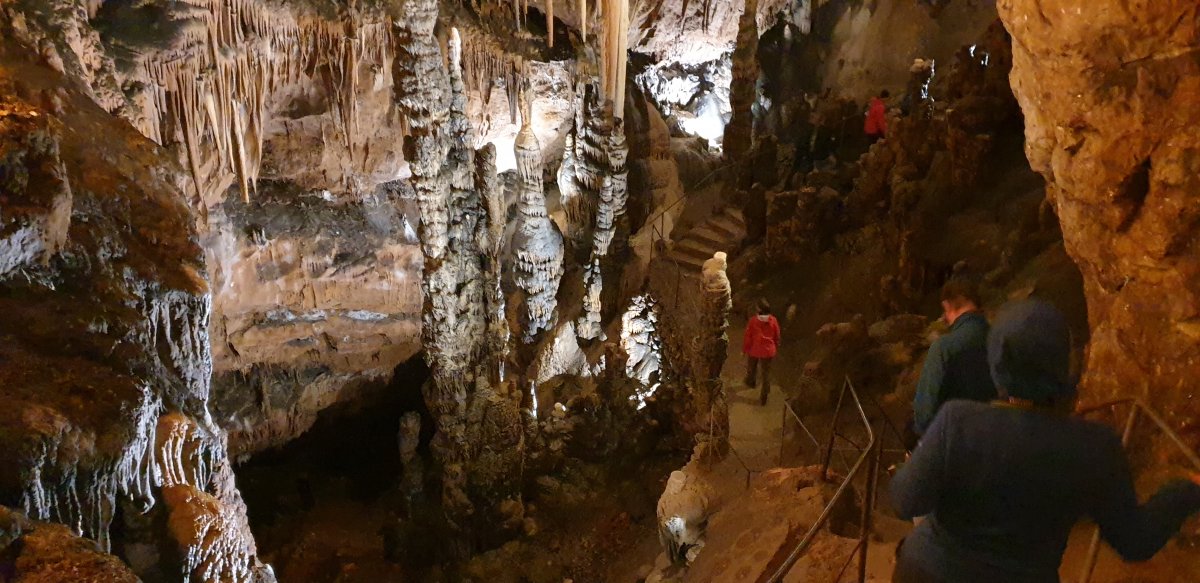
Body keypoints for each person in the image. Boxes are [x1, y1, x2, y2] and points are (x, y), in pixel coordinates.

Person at [890, 300, 1200, 583]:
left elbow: (905, 501)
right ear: (1063, 363)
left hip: (928, 573)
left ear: (997, 359)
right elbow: (1136, 541)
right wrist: (1186, 491)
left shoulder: (957, 422)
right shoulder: (1093, 448)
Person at [910, 277, 995, 441]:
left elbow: (925, 413)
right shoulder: (1000, 339)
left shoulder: (944, 348)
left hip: (958, 444)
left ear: (947, 305)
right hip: (998, 437)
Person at [743, 299, 781, 406]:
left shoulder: (753, 321)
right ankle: (764, 396)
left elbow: (748, 337)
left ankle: (751, 381)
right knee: (766, 373)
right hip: (768, 350)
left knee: (752, 366)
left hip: (755, 349)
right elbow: (777, 334)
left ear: (759, 309)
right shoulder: (773, 320)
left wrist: (745, 349)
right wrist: (776, 344)